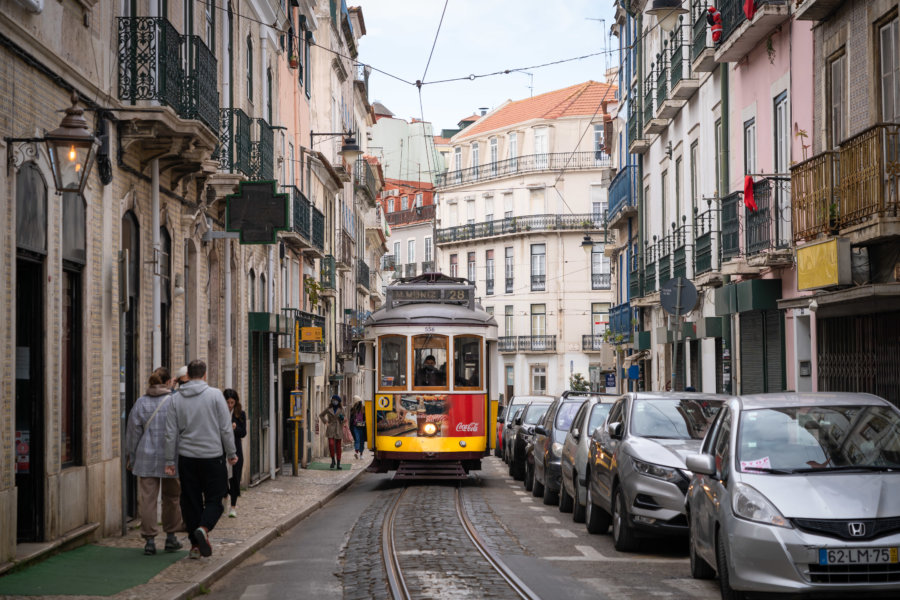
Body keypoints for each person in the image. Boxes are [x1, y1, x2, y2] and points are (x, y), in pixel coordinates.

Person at [164, 360, 237, 560]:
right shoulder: (215, 396)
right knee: (216, 498)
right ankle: (204, 529)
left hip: (187, 458)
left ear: (188, 375)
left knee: (190, 501)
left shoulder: (176, 399)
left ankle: (195, 546)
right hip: (213, 457)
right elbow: (225, 428)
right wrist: (231, 453)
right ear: (204, 375)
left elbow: (170, 433)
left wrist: (169, 461)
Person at [125, 367, 183, 556]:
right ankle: (171, 537)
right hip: (171, 458)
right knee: (172, 498)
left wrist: (132, 456)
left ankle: (149, 540)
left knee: (148, 500)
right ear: (168, 382)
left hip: (146, 457)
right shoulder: (174, 401)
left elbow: (133, 433)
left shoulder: (141, 402)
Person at [223, 389, 246, 518]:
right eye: (227, 402)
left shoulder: (240, 414)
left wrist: (235, 427)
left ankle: (233, 506)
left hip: (236, 450)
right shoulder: (220, 412)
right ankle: (224, 499)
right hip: (222, 450)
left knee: (235, 478)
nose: (230, 405)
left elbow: (243, 432)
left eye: (232, 402)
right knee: (223, 477)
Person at [319, 395, 345, 469]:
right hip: (331, 428)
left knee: (338, 446)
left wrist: (342, 418)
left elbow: (345, 418)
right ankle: (333, 460)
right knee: (331, 444)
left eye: (336, 400)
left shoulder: (341, 409)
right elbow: (321, 415)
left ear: (338, 402)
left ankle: (338, 463)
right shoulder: (328, 408)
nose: (334, 401)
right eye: (333, 400)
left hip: (338, 428)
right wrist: (326, 422)